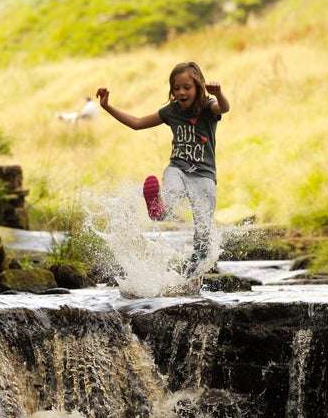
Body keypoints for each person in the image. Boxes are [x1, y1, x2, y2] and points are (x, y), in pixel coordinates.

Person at [96, 61, 230, 291]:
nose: (181, 92)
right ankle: (158, 208)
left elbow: (224, 108)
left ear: (198, 87)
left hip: (204, 176)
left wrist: (218, 93)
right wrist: (107, 106)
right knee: (172, 193)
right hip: (177, 168)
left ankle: (191, 277)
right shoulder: (172, 111)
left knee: (205, 233)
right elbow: (137, 123)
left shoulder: (208, 107)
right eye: (176, 88)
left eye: (186, 87)